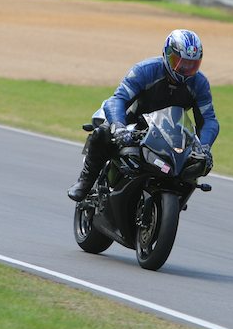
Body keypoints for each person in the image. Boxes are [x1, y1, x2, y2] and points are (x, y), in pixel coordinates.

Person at [67, 29, 219, 202]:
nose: (185, 69)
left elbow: (209, 120)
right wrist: (119, 127)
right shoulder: (145, 70)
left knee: (194, 165)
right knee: (102, 133)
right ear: (167, 54)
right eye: (180, 62)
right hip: (133, 124)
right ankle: (85, 181)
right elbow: (118, 99)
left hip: (169, 132)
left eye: (192, 64)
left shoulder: (199, 83)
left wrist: (205, 147)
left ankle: (175, 198)